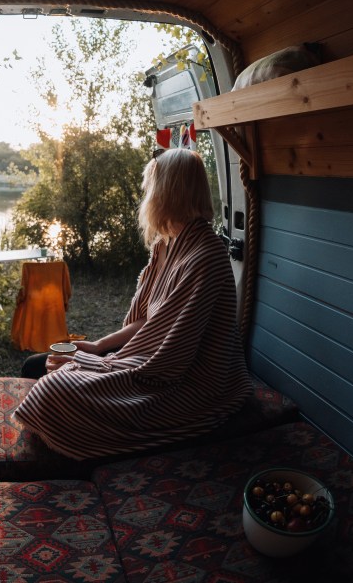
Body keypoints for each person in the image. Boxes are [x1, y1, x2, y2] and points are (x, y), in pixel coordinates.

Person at [13, 148, 252, 460]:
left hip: (189, 383)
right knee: (40, 365)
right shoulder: (165, 245)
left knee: (54, 388)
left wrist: (106, 366)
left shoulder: (207, 256)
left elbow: (170, 357)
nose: (147, 195)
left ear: (169, 191)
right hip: (148, 359)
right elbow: (148, 324)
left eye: (152, 186)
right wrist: (98, 347)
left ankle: (71, 454)